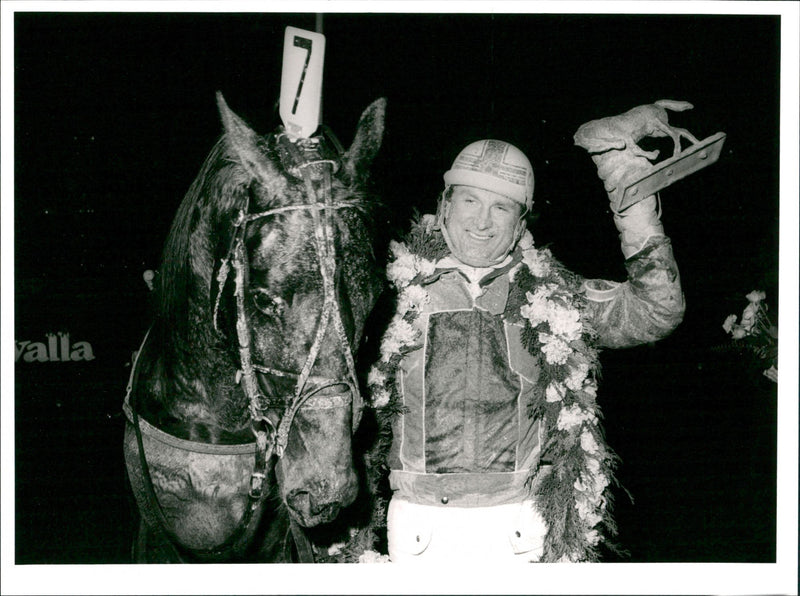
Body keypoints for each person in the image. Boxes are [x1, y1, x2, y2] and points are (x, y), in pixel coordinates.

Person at [367, 119, 685, 563]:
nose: (482, 221)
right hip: (418, 530)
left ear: (521, 222)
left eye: (501, 208)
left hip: (519, 528)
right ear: (444, 204)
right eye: (470, 200)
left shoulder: (552, 293)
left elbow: (655, 311)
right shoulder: (386, 290)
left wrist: (625, 177)